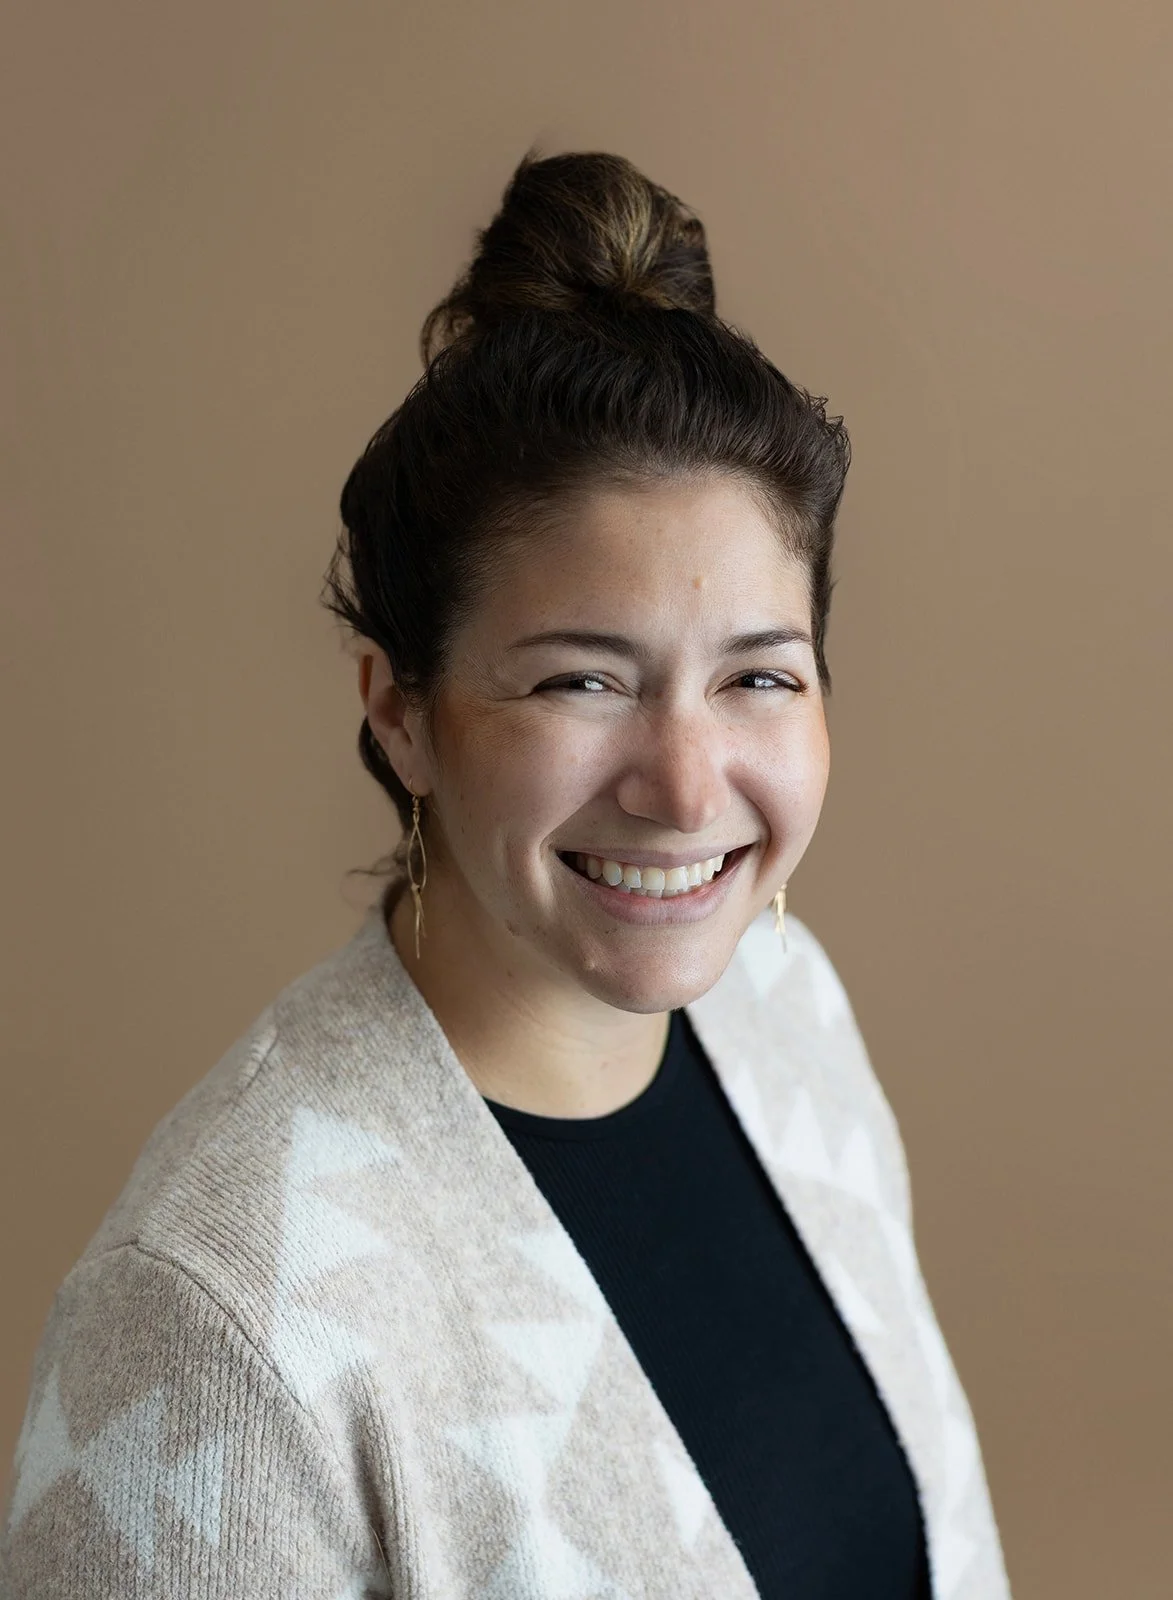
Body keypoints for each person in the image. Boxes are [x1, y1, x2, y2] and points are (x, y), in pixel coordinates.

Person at [1, 150, 1012, 1599]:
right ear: (399, 710)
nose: (684, 785)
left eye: (759, 677)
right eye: (582, 683)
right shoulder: (216, 1323)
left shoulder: (789, 1014)